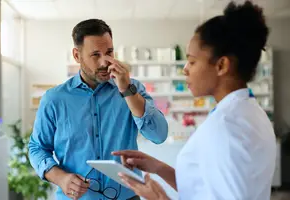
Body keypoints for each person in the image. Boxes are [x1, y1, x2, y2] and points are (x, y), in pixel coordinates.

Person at [113, 1, 276, 200]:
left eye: (192, 61)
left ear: (222, 65)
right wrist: (158, 167)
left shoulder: (227, 125)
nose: (185, 69)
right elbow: (203, 189)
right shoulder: (248, 112)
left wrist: (160, 199)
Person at [28, 19, 168, 200]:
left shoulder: (133, 89)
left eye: (109, 52)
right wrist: (60, 177)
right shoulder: (54, 99)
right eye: (95, 55)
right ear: (77, 56)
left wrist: (127, 91)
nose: (105, 62)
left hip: (127, 196)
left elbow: (159, 135)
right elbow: (37, 148)